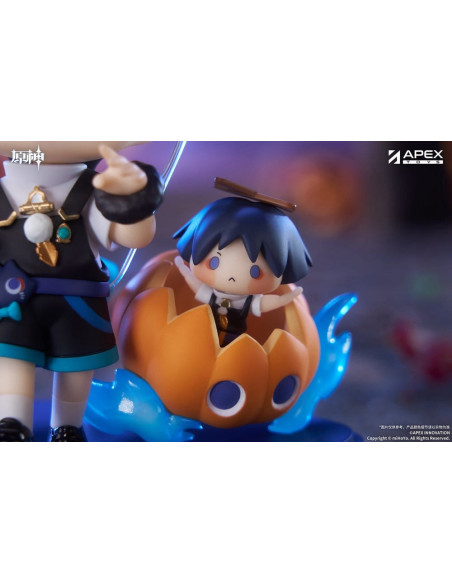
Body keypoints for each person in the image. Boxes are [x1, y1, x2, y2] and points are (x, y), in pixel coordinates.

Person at [0, 141, 163, 441]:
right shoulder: (5, 188)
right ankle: (12, 422)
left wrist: (133, 201)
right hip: (13, 303)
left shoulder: (96, 191)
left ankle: (67, 427)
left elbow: (135, 237)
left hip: (78, 303)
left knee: (76, 367)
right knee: (11, 360)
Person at [173, 195, 312, 347]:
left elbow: (265, 303)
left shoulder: (246, 302)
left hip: (234, 340)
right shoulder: (213, 296)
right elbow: (195, 284)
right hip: (205, 334)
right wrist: (183, 269)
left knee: (232, 351)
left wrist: (285, 299)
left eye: (255, 272)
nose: (231, 277)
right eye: (214, 263)